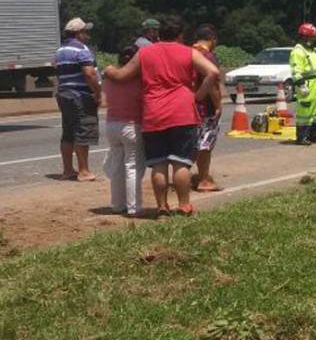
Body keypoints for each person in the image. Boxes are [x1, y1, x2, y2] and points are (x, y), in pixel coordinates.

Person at [105, 16, 220, 215]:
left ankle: (161, 206)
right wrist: (198, 95)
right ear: (181, 35)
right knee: (181, 162)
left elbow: (122, 76)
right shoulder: (189, 52)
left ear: (159, 34)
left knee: (159, 163)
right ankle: (184, 205)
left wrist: (108, 70)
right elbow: (213, 72)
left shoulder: (145, 53)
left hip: (154, 112)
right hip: (183, 111)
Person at [55, 17, 102, 181]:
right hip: (79, 95)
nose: (87, 35)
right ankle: (84, 170)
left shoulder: (60, 50)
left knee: (68, 131)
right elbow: (89, 74)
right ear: (78, 34)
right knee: (83, 129)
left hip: (64, 93)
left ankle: (68, 170)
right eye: (85, 32)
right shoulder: (81, 49)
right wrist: (97, 93)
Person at [103, 43, 145, 215]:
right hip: (131, 124)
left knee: (117, 166)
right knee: (132, 167)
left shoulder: (109, 76)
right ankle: (134, 207)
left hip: (111, 124)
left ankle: (117, 204)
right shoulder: (139, 79)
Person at [191, 24, 222, 192]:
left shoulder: (186, 53)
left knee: (190, 143)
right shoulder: (208, 57)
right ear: (213, 39)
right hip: (204, 107)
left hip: (185, 105)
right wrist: (218, 105)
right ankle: (203, 179)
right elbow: (212, 83)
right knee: (205, 143)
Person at [290, 23, 316, 145]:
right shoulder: (298, 52)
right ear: (306, 37)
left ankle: (313, 135)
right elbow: (296, 70)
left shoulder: (311, 51)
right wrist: (301, 85)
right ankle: (302, 137)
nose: (314, 39)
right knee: (304, 114)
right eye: (312, 37)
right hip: (307, 86)